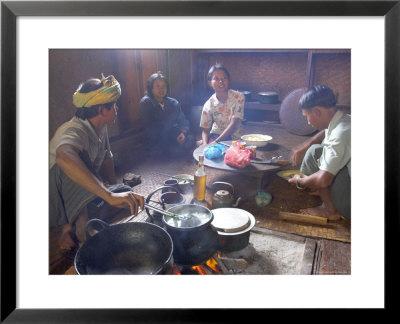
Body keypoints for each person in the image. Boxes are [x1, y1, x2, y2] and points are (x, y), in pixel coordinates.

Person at [49, 74, 144, 252]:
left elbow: (107, 156)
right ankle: (78, 231)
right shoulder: (74, 129)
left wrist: (112, 190)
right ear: (101, 110)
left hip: (78, 197)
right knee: (77, 162)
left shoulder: (101, 127)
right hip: (54, 200)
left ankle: (80, 221)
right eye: (114, 105)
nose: (116, 109)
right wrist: (108, 196)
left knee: (126, 194)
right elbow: (63, 157)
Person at [288, 85, 351, 221]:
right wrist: (305, 145)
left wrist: (300, 181)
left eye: (307, 116)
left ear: (317, 111)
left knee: (319, 164)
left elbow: (323, 180)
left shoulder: (339, 135)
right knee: (314, 150)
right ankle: (329, 199)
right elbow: (325, 132)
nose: (308, 121)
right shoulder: (345, 120)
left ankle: (331, 210)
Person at [139, 71, 195, 157]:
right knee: (169, 150)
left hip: (174, 135)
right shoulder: (146, 102)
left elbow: (182, 120)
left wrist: (183, 133)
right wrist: (175, 132)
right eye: (157, 86)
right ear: (151, 88)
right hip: (157, 139)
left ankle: (183, 146)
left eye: (164, 86)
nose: (161, 89)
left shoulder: (173, 102)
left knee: (189, 138)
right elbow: (153, 127)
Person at [198, 64, 245, 145]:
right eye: (216, 79)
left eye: (224, 78)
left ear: (228, 80)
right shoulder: (208, 104)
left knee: (232, 155)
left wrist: (216, 142)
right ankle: (201, 143)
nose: (221, 81)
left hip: (236, 137)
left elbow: (234, 123)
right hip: (216, 135)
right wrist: (205, 145)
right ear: (210, 83)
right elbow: (205, 131)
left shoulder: (238, 97)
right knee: (210, 152)